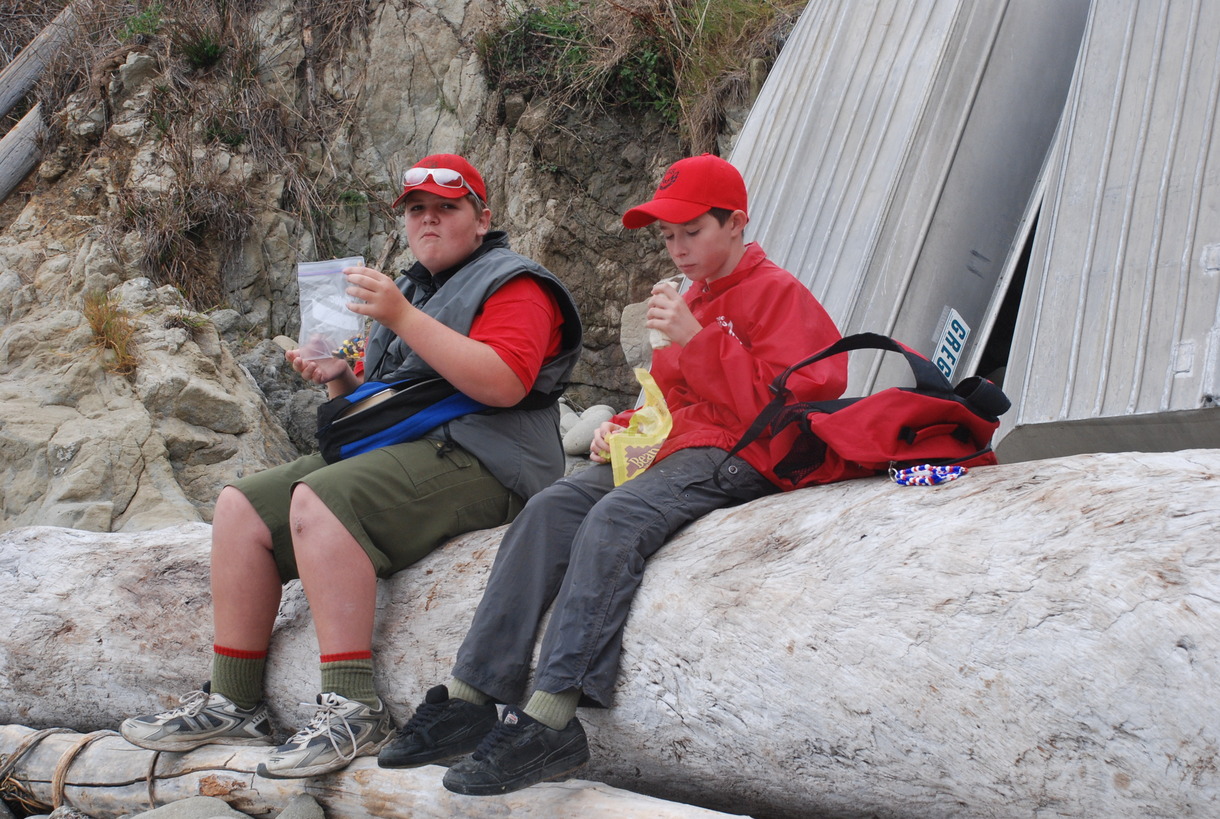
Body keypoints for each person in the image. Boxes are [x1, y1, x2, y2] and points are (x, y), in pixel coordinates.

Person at [377, 153, 847, 795]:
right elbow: (673, 400)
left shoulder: (778, 294)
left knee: (615, 518)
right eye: (668, 236)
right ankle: (470, 695)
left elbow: (790, 409)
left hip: (745, 454)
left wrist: (697, 340)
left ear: (736, 222)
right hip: (680, 444)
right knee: (549, 508)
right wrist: (622, 426)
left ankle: (551, 718)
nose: (678, 249)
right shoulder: (694, 296)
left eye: (692, 232)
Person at [118, 154, 583, 779]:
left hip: (492, 461)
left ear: (482, 219)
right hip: (407, 451)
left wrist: (400, 317)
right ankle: (234, 700)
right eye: (416, 209)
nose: (429, 220)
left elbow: (504, 383)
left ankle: (353, 709)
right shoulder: (412, 289)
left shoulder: (516, 285)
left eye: (447, 208)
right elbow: (386, 401)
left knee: (321, 500)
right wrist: (340, 378)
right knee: (239, 507)